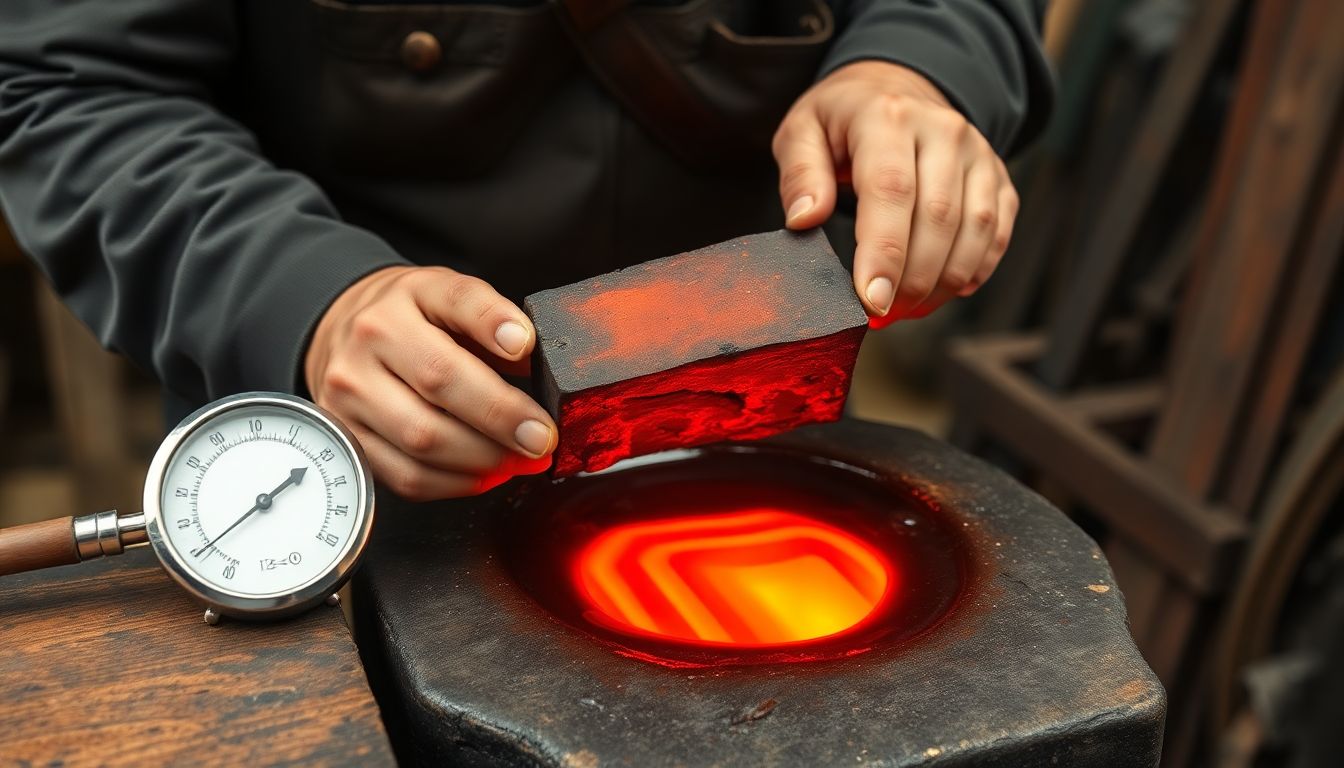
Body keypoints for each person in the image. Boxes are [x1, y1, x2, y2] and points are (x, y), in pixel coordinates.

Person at [0, 0, 1051, 501]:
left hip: (762, 430)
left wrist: (919, 72)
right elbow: (70, 87)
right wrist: (307, 303)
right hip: (359, 460)